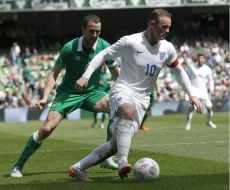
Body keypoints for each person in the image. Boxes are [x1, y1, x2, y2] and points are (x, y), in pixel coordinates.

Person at [69, 8, 204, 181]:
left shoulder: (168, 48)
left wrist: (192, 94)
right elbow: (103, 54)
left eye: (169, 27)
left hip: (143, 100)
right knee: (127, 111)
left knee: (115, 145)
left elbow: (178, 71)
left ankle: (78, 168)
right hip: (123, 90)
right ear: (152, 24)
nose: (167, 31)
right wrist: (85, 76)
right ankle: (123, 162)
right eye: (164, 27)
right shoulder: (130, 42)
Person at [10, 14, 120, 177]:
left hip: (92, 93)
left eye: (98, 31)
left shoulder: (104, 46)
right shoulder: (69, 47)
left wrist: (123, 92)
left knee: (117, 108)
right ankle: (17, 166)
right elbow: (53, 74)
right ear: (82, 29)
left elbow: (115, 73)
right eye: (91, 31)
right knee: (47, 129)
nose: (95, 35)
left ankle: (106, 156)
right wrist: (44, 97)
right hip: (68, 94)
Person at [183, 53, 217, 130]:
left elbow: (210, 80)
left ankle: (209, 122)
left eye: (202, 58)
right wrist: (187, 92)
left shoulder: (208, 69)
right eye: (199, 58)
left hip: (203, 91)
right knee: (191, 107)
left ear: (204, 59)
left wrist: (211, 89)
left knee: (210, 107)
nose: (200, 60)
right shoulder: (192, 67)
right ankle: (188, 123)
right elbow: (187, 79)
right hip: (194, 89)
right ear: (197, 59)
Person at [90, 64, 113, 129]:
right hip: (98, 92)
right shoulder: (100, 72)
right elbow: (96, 80)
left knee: (104, 109)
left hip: (106, 93)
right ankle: (95, 120)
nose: (105, 66)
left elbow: (113, 80)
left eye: (106, 65)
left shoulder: (110, 73)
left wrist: (110, 83)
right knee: (95, 108)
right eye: (104, 65)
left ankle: (102, 123)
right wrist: (99, 82)